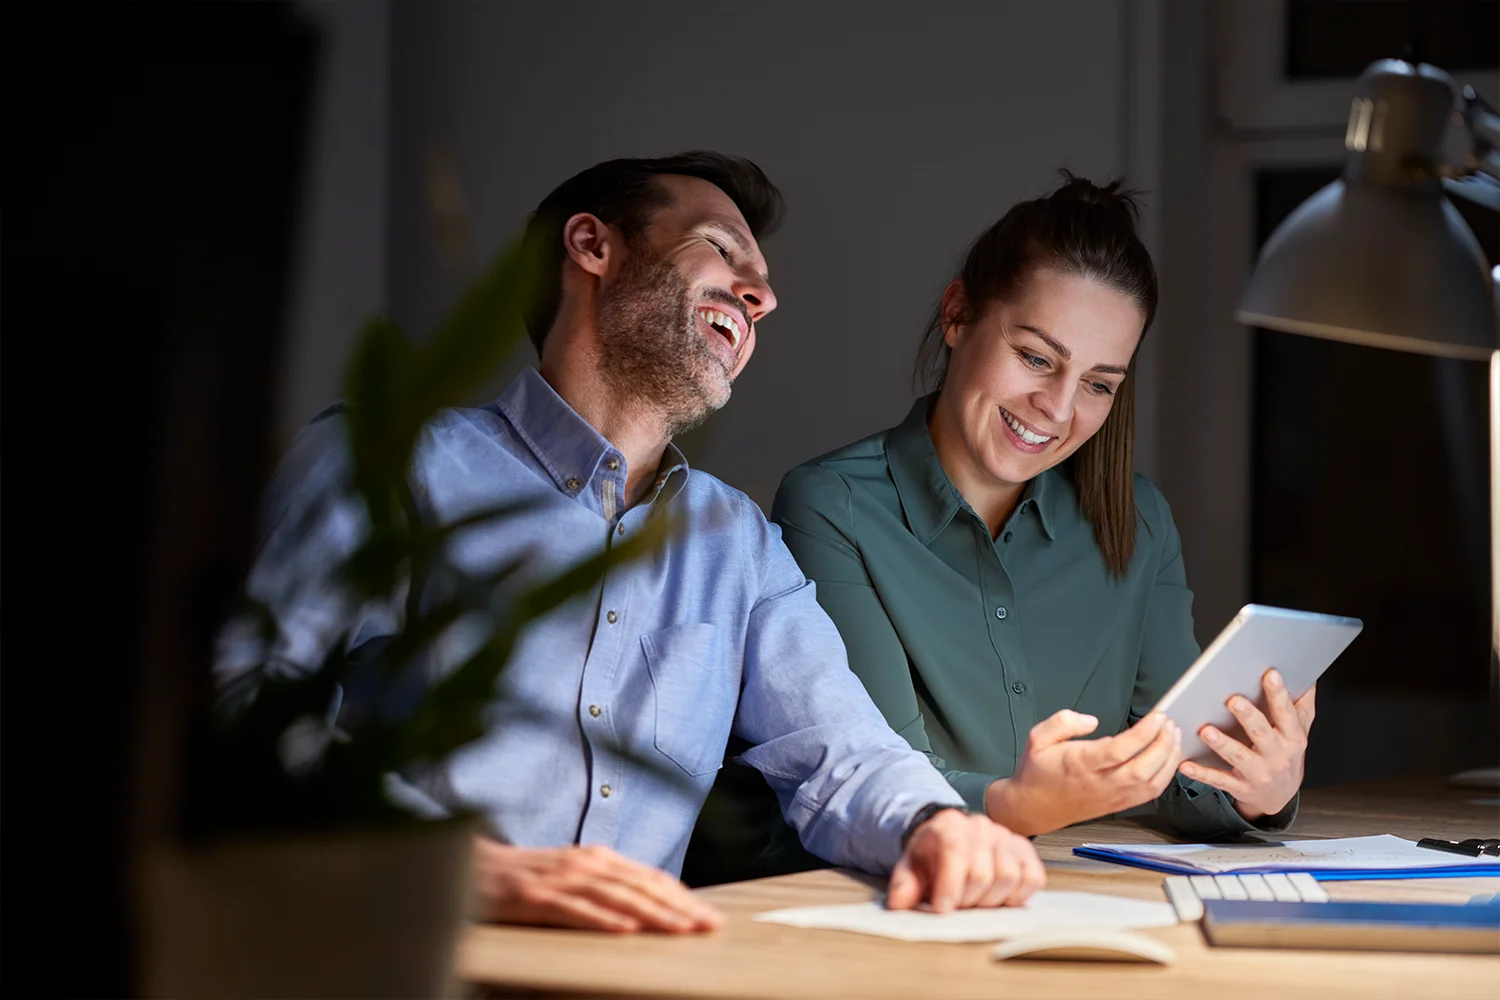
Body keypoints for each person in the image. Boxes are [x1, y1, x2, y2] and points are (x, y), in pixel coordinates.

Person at [223, 152, 1044, 935]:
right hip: (399, 954)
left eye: (762, 286)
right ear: (593, 247)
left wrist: (936, 825)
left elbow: (845, 753)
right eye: (723, 250)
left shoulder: (740, 545)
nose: (761, 296)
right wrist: (451, 870)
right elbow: (236, 714)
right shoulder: (383, 461)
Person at [689, 174, 1313, 883]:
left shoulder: (1138, 522)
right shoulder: (832, 504)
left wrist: (1262, 789)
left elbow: (1173, 773)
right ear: (958, 315)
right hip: (877, 900)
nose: (1056, 407)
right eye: (1036, 358)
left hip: (1067, 898)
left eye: (1099, 384)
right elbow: (870, 777)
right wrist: (1022, 803)